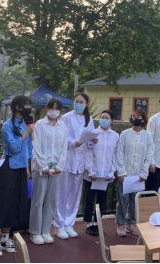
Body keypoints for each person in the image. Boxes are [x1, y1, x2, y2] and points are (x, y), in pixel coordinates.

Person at [0, 95, 34, 258]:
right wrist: (26, 132)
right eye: (26, 105)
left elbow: (27, 148)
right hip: (8, 167)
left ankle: (6, 238)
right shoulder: (7, 125)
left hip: (21, 167)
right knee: (2, 202)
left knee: (15, 202)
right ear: (17, 107)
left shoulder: (26, 124)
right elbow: (13, 147)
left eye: (29, 105)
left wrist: (27, 166)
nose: (29, 108)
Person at [54, 93, 98, 240]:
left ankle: (69, 224)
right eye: (76, 101)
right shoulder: (67, 117)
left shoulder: (88, 119)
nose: (78, 104)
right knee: (63, 194)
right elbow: (61, 137)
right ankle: (59, 225)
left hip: (80, 162)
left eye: (81, 102)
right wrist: (74, 142)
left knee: (75, 194)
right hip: (67, 160)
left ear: (86, 104)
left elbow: (89, 139)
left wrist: (93, 141)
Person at [29, 98, 68, 246]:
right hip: (41, 168)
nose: (54, 111)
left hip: (56, 168)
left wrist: (60, 166)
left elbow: (64, 147)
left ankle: (46, 230)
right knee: (38, 200)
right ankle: (35, 232)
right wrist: (43, 165)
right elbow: (36, 146)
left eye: (57, 109)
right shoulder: (39, 124)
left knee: (51, 200)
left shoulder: (62, 126)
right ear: (46, 109)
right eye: (52, 108)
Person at [116, 110, 153, 237]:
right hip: (125, 174)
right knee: (122, 200)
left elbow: (149, 155)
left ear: (143, 120)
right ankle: (120, 224)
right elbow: (119, 152)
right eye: (134, 116)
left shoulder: (147, 136)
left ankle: (131, 223)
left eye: (139, 117)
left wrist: (144, 172)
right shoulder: (125, 134)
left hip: (139, 174)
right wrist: (121, 171)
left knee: (135, 200)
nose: (136, 118)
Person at [83, 110, 119, 237]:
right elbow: (88, 152)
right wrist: (90, 171)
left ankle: (98, 223)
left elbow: (115, 154)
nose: (104, 119)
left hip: (105, 175)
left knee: (101, 201)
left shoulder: (115, 136)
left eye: (107, 118)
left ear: (112, 121)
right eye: (102, 117)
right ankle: (89, 224)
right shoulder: (93, 133)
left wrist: (112, 171)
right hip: (93, 173)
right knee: (89, 199)